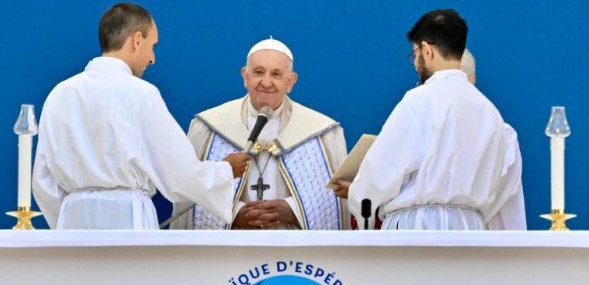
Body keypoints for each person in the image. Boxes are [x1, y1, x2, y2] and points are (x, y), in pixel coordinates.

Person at [32, 3, 250, 230]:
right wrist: (224, 171)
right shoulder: (141, 93)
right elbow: (178, 171)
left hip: (74, 222)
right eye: (152, 46)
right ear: (137, 40)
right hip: (127, 219)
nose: (152, 58)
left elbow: (43, 181)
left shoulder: (60, 94)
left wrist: (68, 218)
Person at [331, 9, 524, 230]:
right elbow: (500, 188)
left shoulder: (419, 100)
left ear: (427, 50)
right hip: (471, 229)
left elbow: (381, 171)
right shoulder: (490, 112)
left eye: (415, 55)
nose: (415, 63)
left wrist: (359, 196)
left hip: (417, 227)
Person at [170, 38, 349, 230]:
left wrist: (293, 209)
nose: (266, 82)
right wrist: (235, 213)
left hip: (293, 250)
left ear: (290, 82)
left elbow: (335, 197)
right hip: (230, 248)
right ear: (245, 76)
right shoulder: (207, 127)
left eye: (276, 74)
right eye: (258, 72)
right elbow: (190, 191)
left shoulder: (323, 132)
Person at [460, 48, 526, 229]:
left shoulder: (503, 136)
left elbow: (488, 201)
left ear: (471, 81)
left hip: (487, 242)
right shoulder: (421, 129)